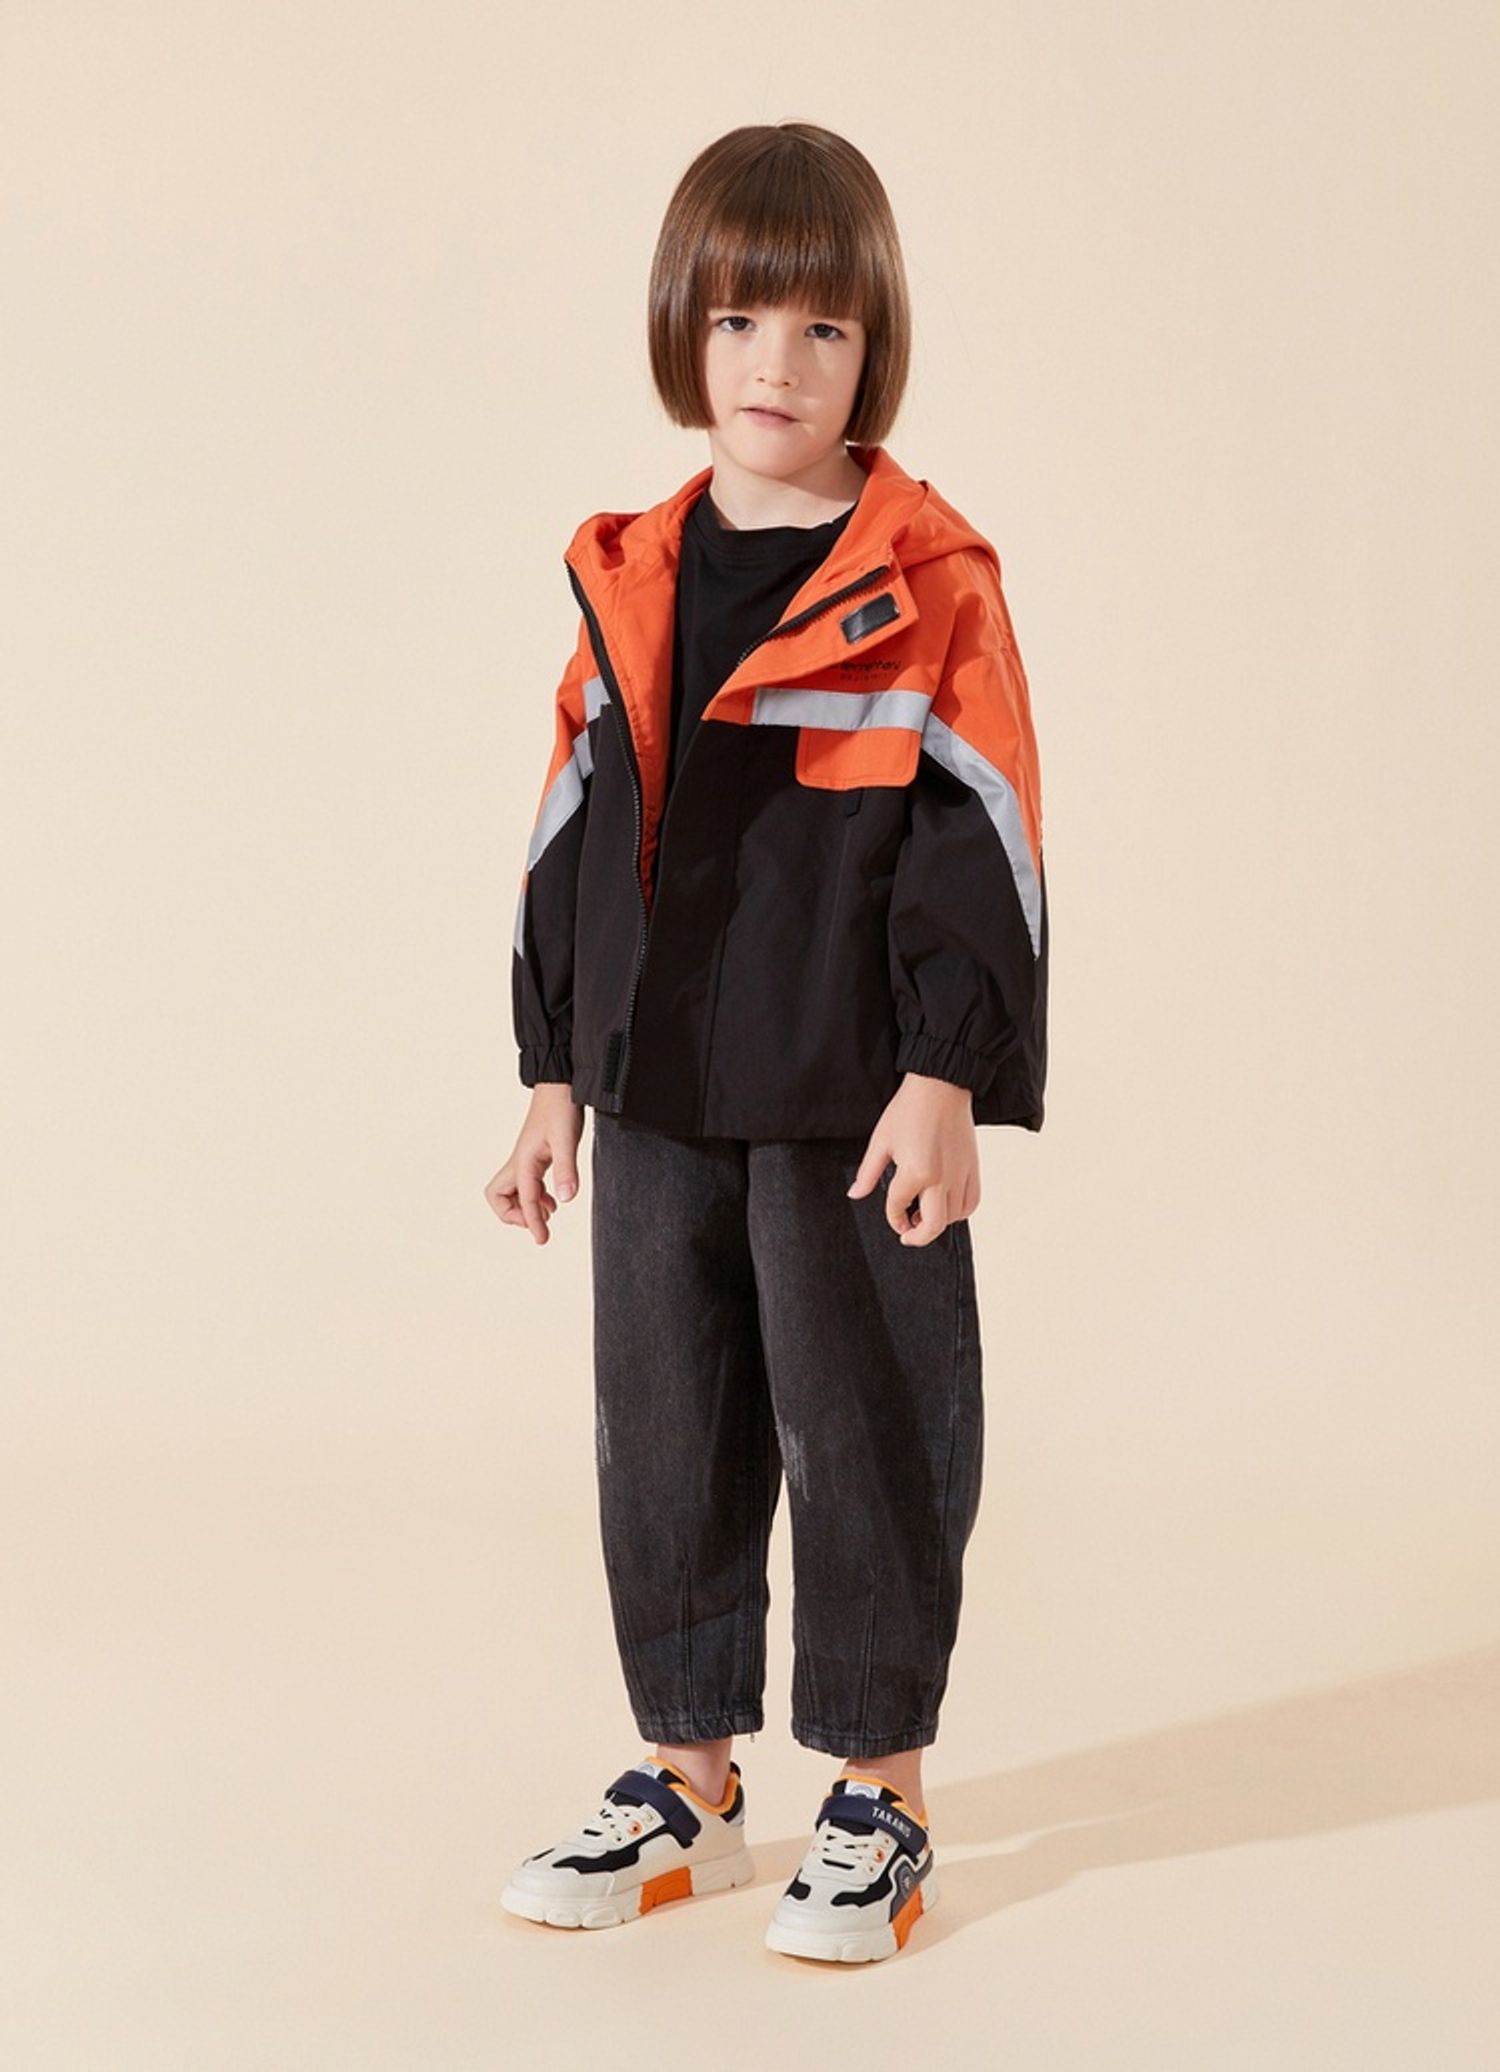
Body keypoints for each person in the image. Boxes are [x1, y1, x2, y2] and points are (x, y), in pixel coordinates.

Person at [485, 119, 1048, 1964]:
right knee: (666, 1432)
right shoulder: (628, 573)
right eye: (737, 322)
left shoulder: (930, 577)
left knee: (870, 1428)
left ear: (874, 347)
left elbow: (983, 841)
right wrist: (550, 1075)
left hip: (850, 1103)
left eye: (820, 329)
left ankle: (881, 1794)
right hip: (653, 1093)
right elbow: (569, 835)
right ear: (685, 331)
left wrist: (947, 1073)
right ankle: (691, 1784)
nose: (775, 366)